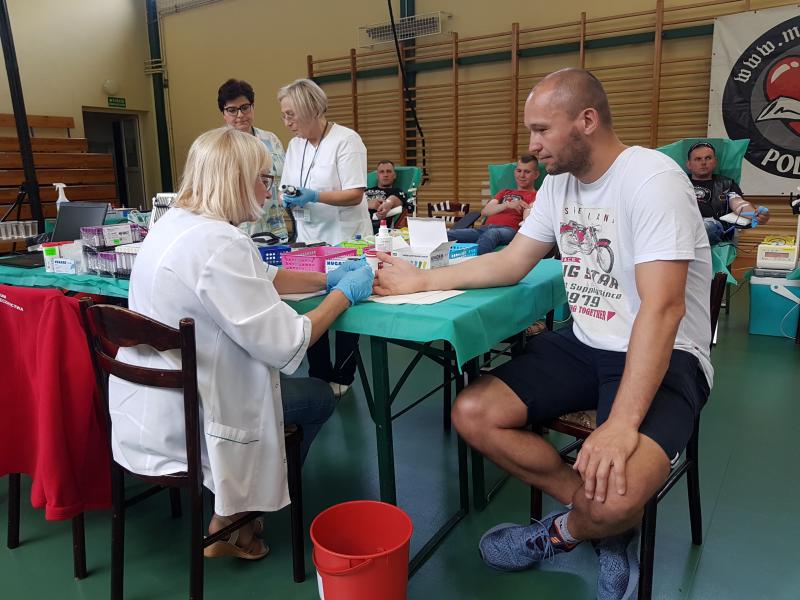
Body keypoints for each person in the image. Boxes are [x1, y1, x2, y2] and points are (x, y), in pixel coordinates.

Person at [374, 68, 713, 596]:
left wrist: (621, 424)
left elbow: (663, 309)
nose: (532, 147)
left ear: (587, 120)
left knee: (619, 497)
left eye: (541, 131)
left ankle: (564, 531)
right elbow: (510, 263)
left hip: (666, 352)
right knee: (472, 412)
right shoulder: (558, 186)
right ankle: (592, 512)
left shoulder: (652, 181)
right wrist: (420, 279)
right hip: (585, 344)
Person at [108, 127, 373, 560]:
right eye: (264, 179)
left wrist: (328, 277)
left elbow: (261, 276)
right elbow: (290, 342)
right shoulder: (219, 242)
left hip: (152, 399)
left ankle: (242, 507)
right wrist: (345, 295)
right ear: (236, 178)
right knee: (319, 397)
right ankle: (236, 518)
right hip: (200, 407)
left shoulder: (175, 223)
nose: (269, 191)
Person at [278, 78, 370, 396]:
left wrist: (314, 195)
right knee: (311, 304)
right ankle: (318, 374)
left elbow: (356, 194)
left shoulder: (347, 140)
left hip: (345, 237)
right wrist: (288, 197)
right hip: (308, 238)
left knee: (345, 302)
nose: (287, 122)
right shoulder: (295, 145)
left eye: (291, 114)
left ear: (310, 109)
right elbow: (288, 185)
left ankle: (343, 377)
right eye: (284, 115)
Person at [218, 78, 289, 242]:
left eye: (245, 107)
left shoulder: (271, 140)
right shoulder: (219, 147)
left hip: (275, 230)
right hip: (239, 233)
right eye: (232, 110)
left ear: (252, 107)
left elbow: (283, 178)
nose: (240, 115)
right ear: (223, 113)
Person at [447, 154, 539, 255]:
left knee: (491, 234)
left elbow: (528, 216)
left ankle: (475, 264)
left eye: (527, 172)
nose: (522, 175)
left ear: (536, 175)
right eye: (519, 171)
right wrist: (507, 205)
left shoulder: (536, 196)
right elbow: (485, 211)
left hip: (508, 231)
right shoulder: (504, 192)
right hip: (484, 229)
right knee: (448, 234)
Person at [685, 141, 769, 244]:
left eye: (708, 158)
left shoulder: (726, 184)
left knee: (706, 226)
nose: (703, 162)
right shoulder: (678, 182)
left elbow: (738, 203)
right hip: (683, 223)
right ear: (689, 164)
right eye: (698, 159)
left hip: (711, 227)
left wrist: (754, 214)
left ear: (715, 161)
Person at [365, 160, 409, 231]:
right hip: (357, 223)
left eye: (389, 171)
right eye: (382, 172)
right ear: (377, 176)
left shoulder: (398, 192)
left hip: (378, 228)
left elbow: (393, 200)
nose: (385, 175)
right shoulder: (365, 191)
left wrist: (387, 204)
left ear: (394, 175)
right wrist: (367, 204)